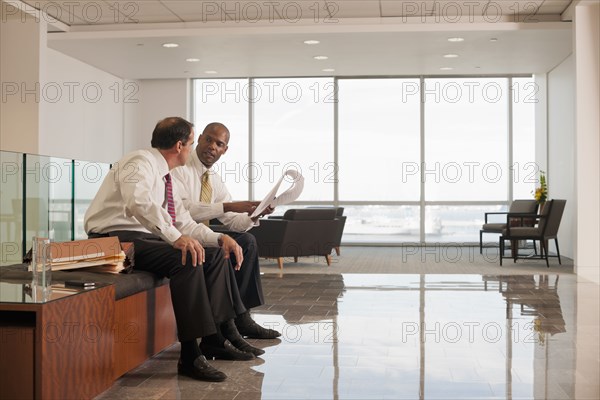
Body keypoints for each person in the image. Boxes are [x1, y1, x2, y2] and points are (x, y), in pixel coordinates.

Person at [84, 117, 264, 382]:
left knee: (213, 255)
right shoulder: (139, 163)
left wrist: (217, 239)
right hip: (113, 240)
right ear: (180, 146)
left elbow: (182, 221)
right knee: (187, 258)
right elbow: (140, 204)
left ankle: (216, 335)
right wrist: (175, 238)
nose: (192, 150)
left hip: (143, 238)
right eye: (192, 144)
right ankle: (190, 355)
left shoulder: (165, 176)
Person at [172, 122, 280, 339]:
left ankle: (243, 317)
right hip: (180, 234)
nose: (212, 146)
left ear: (224, 150)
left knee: (247, 240)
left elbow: (233, 222)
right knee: (231, 244)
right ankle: (228, 323)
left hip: (202, 233)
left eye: (219, 144)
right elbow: (184, 210)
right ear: (199, 138)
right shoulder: (178, 169)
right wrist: (229, 206)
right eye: (209, 139)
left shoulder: (214, 180)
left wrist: (255, 214)